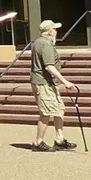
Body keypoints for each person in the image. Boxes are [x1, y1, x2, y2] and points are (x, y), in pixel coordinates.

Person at [30, 19, 78, 152]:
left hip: (47, 82)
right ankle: (38, 141)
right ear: (50, 31)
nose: (56, 32)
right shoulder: (46, 45)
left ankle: (59, 139)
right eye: (55, 29)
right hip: (43, 83)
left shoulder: (37, 42)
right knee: (46, 112)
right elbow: (49, 67)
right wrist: (66, 82)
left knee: (59, 108)